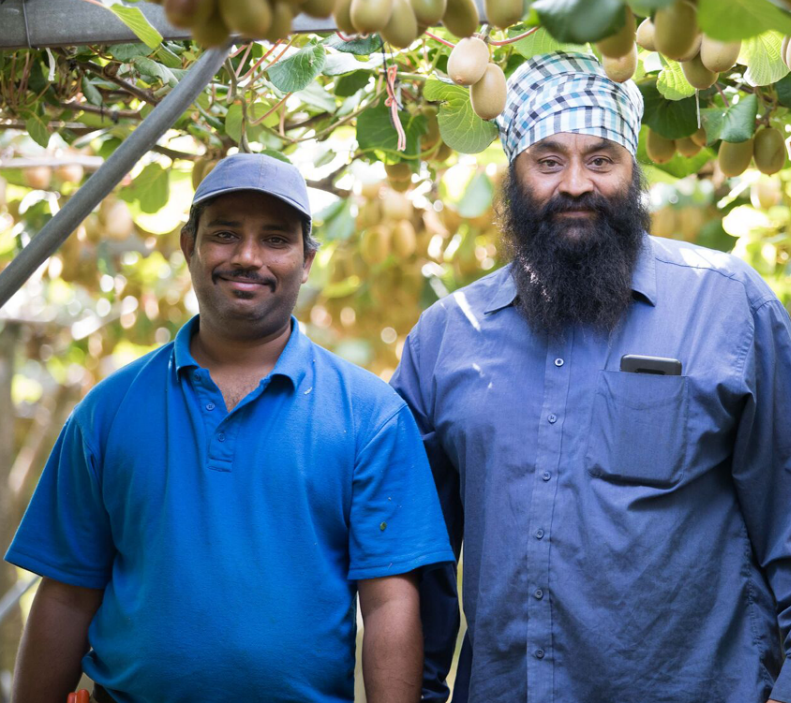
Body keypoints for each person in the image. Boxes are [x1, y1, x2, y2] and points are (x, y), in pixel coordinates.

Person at [391, 52, 791, 703]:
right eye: (549, 160)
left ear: (634, 169)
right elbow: (414, 561)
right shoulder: (446, 337)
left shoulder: (727, 305)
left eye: (602, 159)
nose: (577, 183)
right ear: (513, 174)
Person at [5, 153, 454, 703]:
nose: (248, 257)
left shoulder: (371, 415)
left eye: (275, 239)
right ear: (187, 244)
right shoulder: (108, 411)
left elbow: (389, 603)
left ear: (307, 260)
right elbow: (67, 595)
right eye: (224, 234)